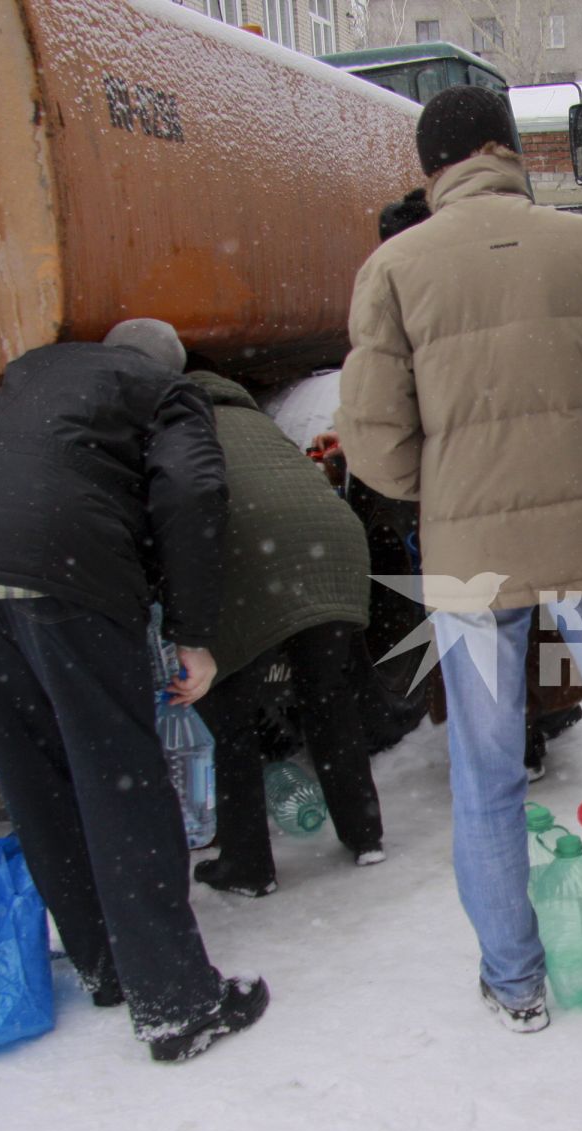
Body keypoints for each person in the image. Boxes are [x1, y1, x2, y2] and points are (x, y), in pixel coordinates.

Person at [333, 86, 582, 1032]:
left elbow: (370, 437)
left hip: (467, 558)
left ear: (431, 169)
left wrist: (445, 486)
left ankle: (515, 981)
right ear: (508, 148)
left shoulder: (395, 267)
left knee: (485, 766)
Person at [0, 319, 268, 1063]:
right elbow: (193, 488)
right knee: (119, 778)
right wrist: (193, 632)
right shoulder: (165, 390)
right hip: (56, 562)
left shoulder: (33, 377)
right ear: (172, 367)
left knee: (38, 778)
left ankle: (105, 964)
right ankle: (178, 1005)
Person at [186, 366, 386, 897]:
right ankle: (365, 833)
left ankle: (247, 865)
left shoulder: (176, 425)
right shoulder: (256, 420)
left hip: (258, 555)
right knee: (327, 694)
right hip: (333, 544)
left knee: (227, 711)